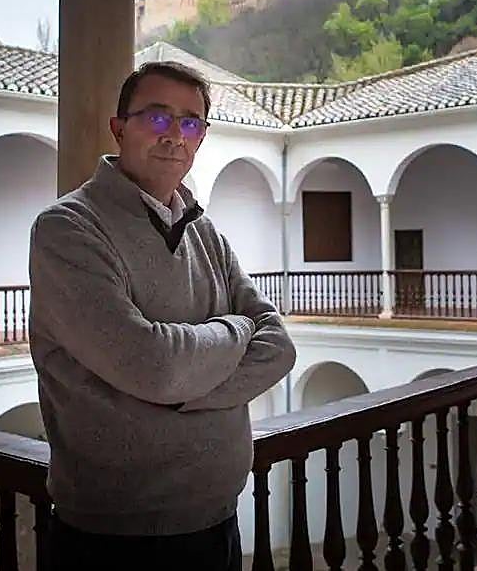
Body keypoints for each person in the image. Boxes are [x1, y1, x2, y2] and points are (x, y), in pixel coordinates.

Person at [29, 60, 296, 570]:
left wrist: (176, 396)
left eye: (191, 123)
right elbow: (155, 366)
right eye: (157, 117)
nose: (175, 135)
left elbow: (278, 346)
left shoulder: (206, 233)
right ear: (119, 127)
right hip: (115, 538)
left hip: (217, 520)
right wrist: (235, 329)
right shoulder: (68, 228)